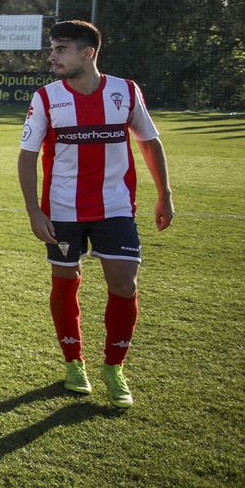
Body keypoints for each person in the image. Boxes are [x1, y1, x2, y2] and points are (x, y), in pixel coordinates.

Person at [18, 20, 173, 408]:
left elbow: (150, 142)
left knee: (124, 284)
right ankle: (74, 363)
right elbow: (27, 157)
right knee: (66, 281)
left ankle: (114, 367)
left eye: (62, 49)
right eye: (52, 48)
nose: (53, 56)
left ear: (88, 53)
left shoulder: (125, 91)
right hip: (63, 210)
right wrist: (34, 211)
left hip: (115, 208)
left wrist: (164, 193)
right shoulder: (46, 97)